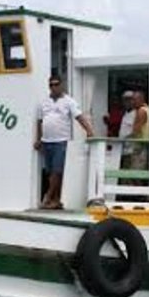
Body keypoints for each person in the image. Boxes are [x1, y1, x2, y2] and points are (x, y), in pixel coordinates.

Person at [34, 75, 94, 209]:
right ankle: (56, 200)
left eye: (56, 84)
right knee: (51, 172)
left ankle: (48, 196)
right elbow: (40, 121)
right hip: (47, 141)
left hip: (61, 141)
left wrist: (89, 130)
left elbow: (79, 117)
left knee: (57, 170)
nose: (54, 87)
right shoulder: (43, 102)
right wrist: (39, 139)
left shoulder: (69, 101)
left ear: (61, 85)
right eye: (51, 85)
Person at [120, 90, 149, 172]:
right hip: (131, 148)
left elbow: (136, 131)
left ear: (141, 99)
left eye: (134, 100)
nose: (133, 102)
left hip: (137, 148)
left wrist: (123, 139)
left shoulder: (140, 111)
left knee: (134, 172)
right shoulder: (145, 110)